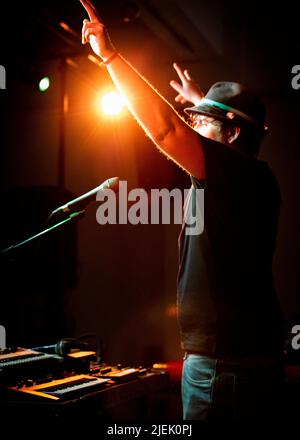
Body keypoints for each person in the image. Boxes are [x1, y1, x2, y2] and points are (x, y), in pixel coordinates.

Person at [79, 0, 285, 420]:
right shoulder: (252, 176)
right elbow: (211, 126)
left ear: (232, 133)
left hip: (222, 370)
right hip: (237, 363)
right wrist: (201, 101)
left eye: (204, 124)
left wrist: (111, 57)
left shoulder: (235, 172)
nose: (193, 129)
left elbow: (165, 128)